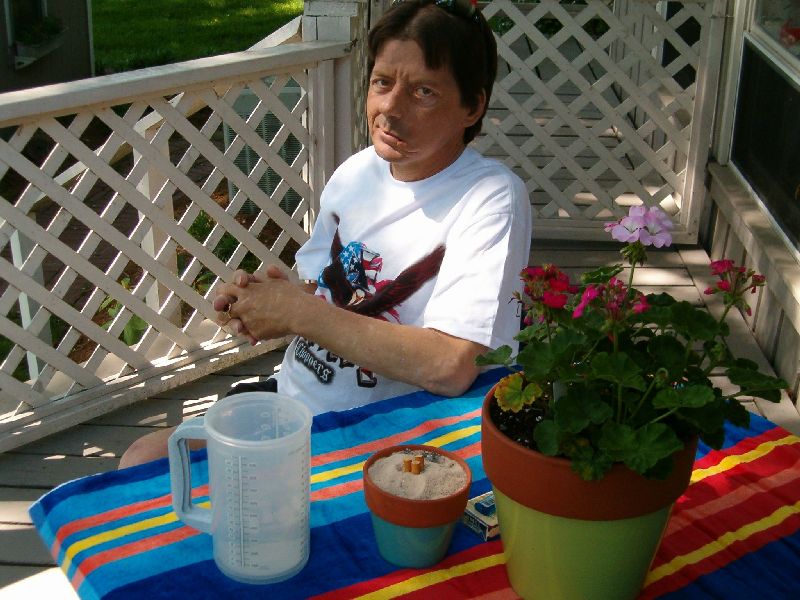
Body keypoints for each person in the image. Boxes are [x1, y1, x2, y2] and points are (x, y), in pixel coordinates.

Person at [118, 0, 531, 469]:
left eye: (423, 92)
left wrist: (300, 313)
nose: (390, 108)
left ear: (472, 106)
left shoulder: (489, 197)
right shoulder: (358, 172)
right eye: (382, 82)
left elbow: (451, 365)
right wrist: (269, 302)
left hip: (377, 435)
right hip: (291, 402)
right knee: (144, 457)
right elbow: (324, 296)